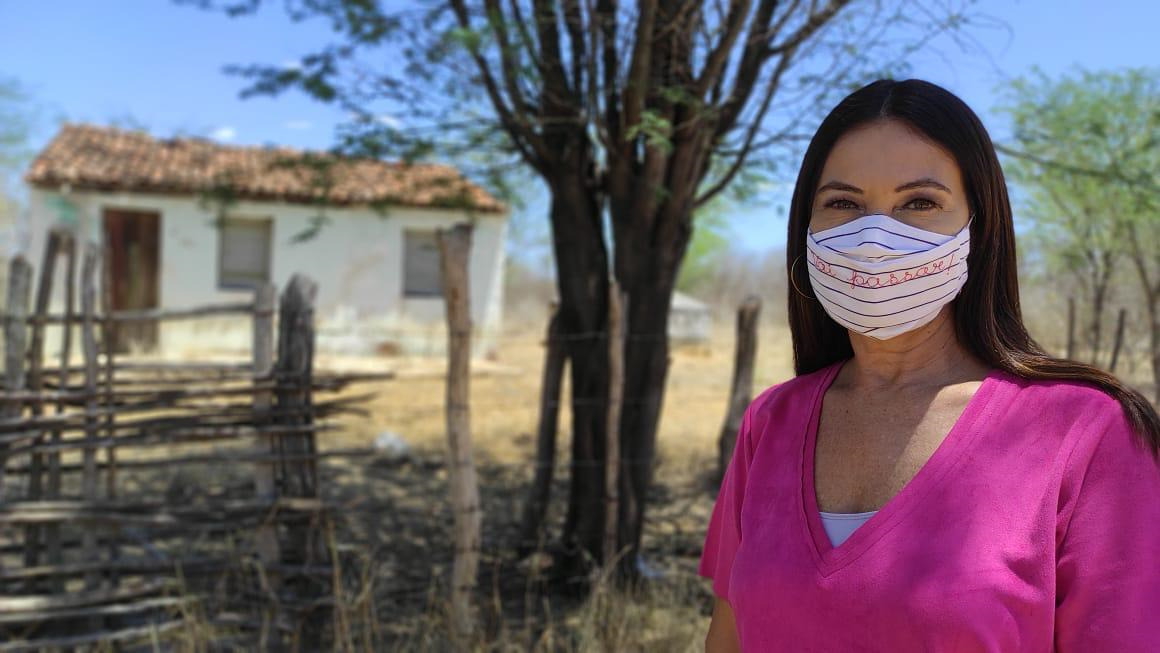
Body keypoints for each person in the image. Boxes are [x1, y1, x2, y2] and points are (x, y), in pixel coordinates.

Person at [699, 79, 1160, 652]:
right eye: (843, 202)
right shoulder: (771, 423)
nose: (874, 238)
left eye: (919, 202)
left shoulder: (1085, 433)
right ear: (807, 229)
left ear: (980, 228)